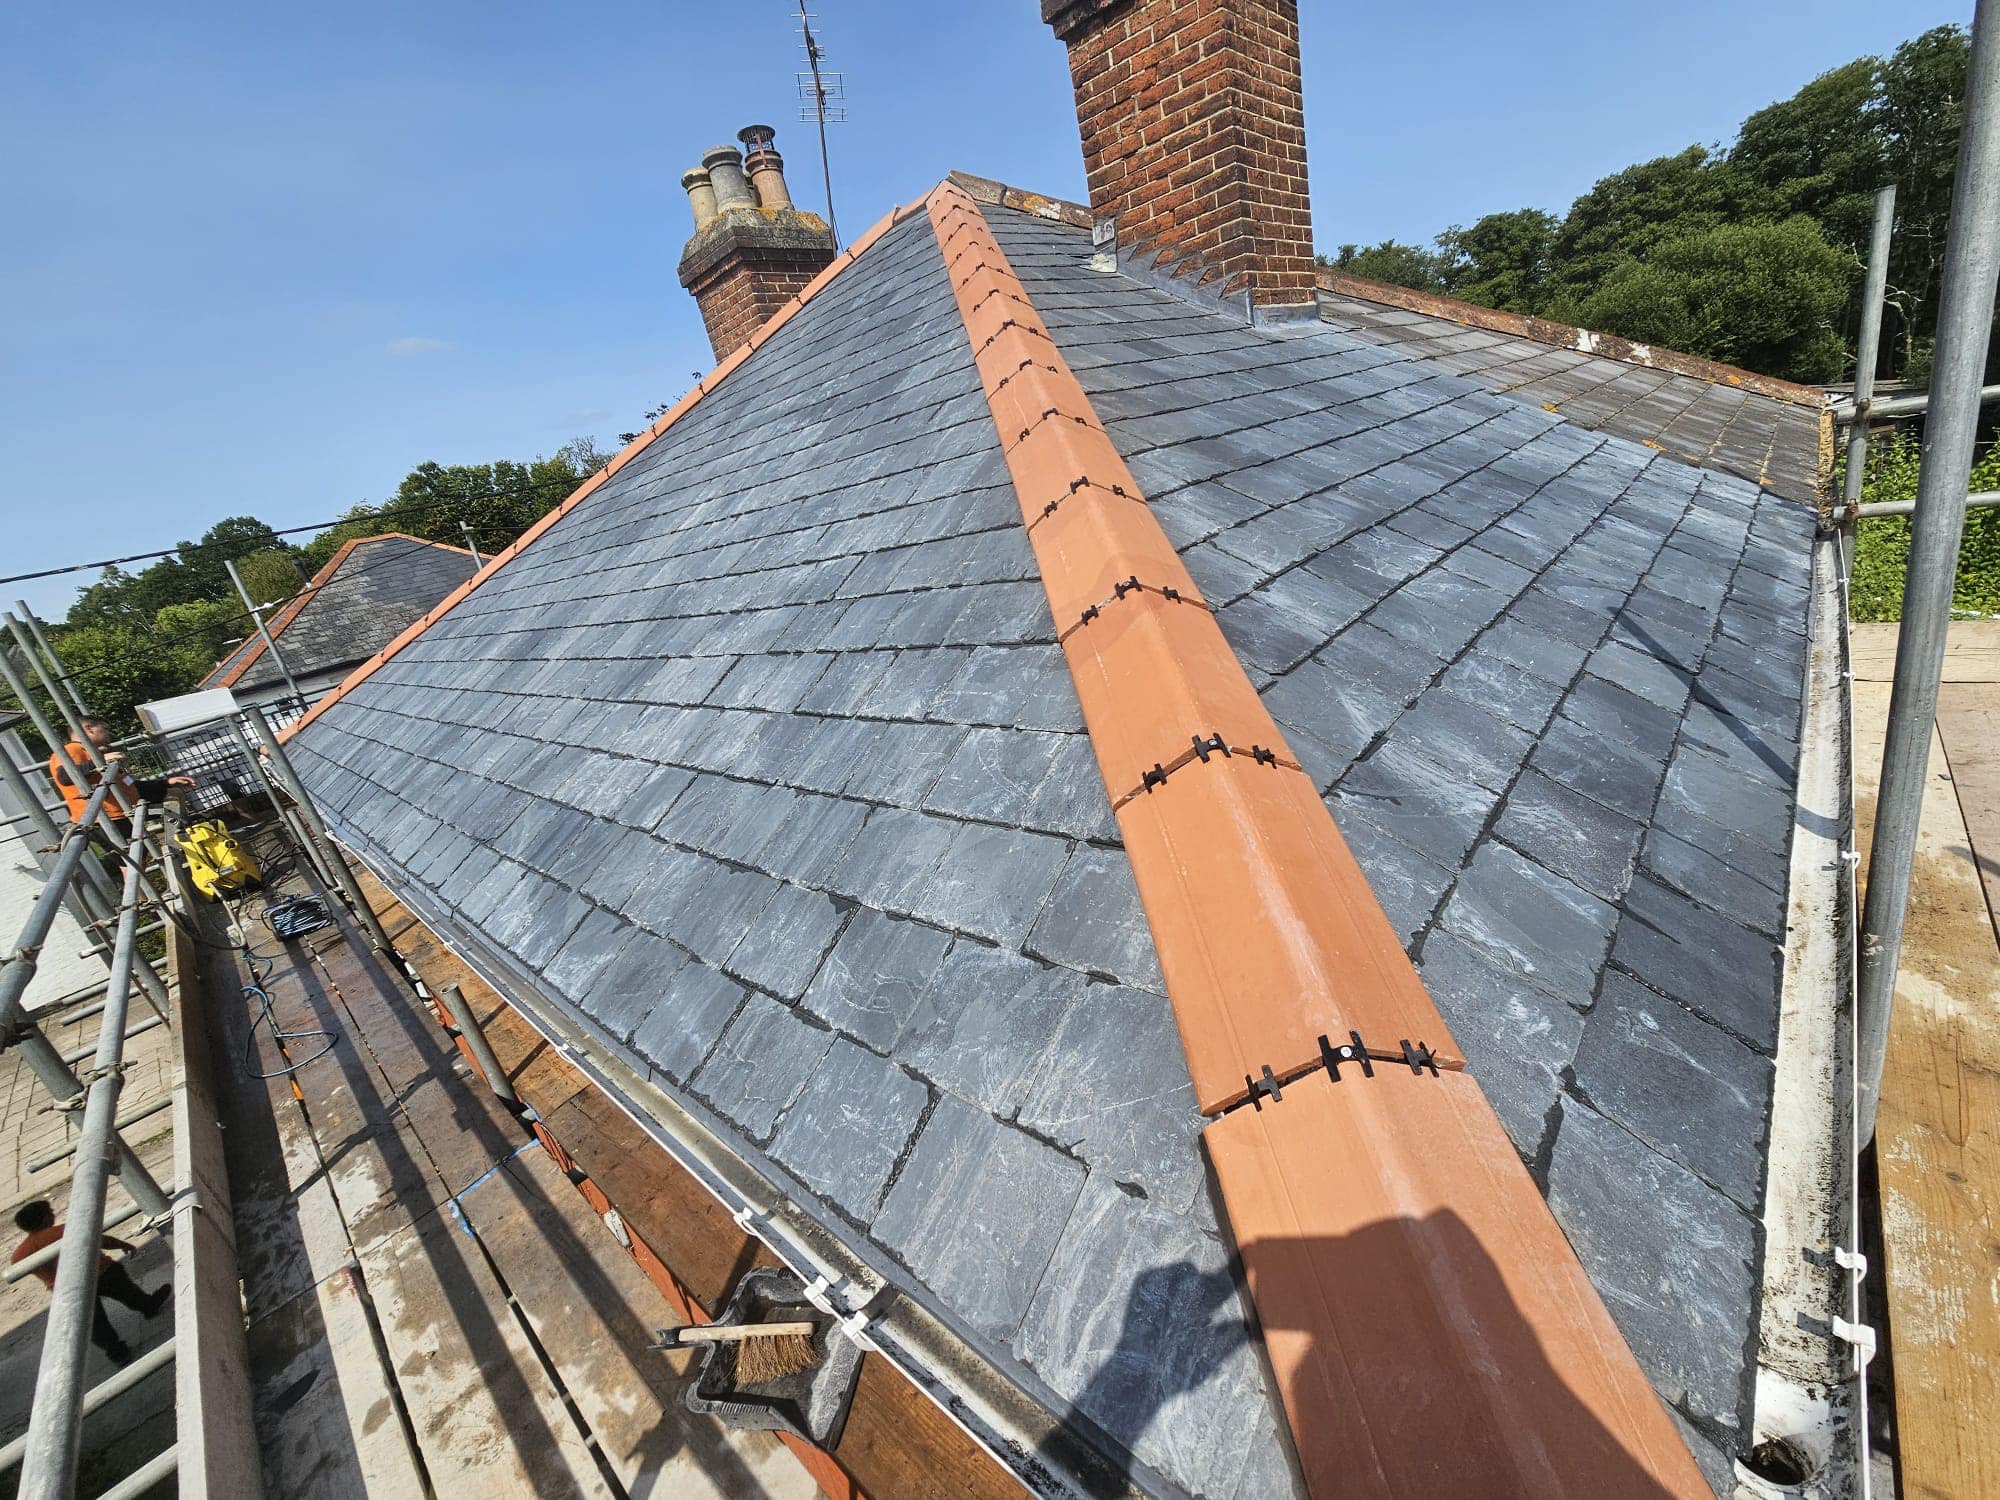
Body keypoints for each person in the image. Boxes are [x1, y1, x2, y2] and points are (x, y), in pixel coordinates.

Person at [10, 1200, 169, 1365]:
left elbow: (21, 1268)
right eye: (50, 1211)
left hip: (68, 1290)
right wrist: (122, 1244)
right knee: (127, 1292)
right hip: (101, 1272)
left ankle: (118, 1352)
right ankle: (148, 1306)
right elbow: (100, 1240)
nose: (53, 1213)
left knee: (94, 1324)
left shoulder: (20, 1254)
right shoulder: (63, 1231)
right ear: (45, 1218)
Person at [46, 717, 193, 826]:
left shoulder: (97, 752)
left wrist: (166, 783)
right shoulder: (72, 749)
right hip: (106, 819)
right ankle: (176, 840)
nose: (108, 733)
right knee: (136, 853)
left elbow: (128, 783)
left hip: (126, 809)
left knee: (174, 795)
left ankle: (177, 838)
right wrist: (99, 761)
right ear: (89, 728)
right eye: (104, 729)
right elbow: (65, 778)